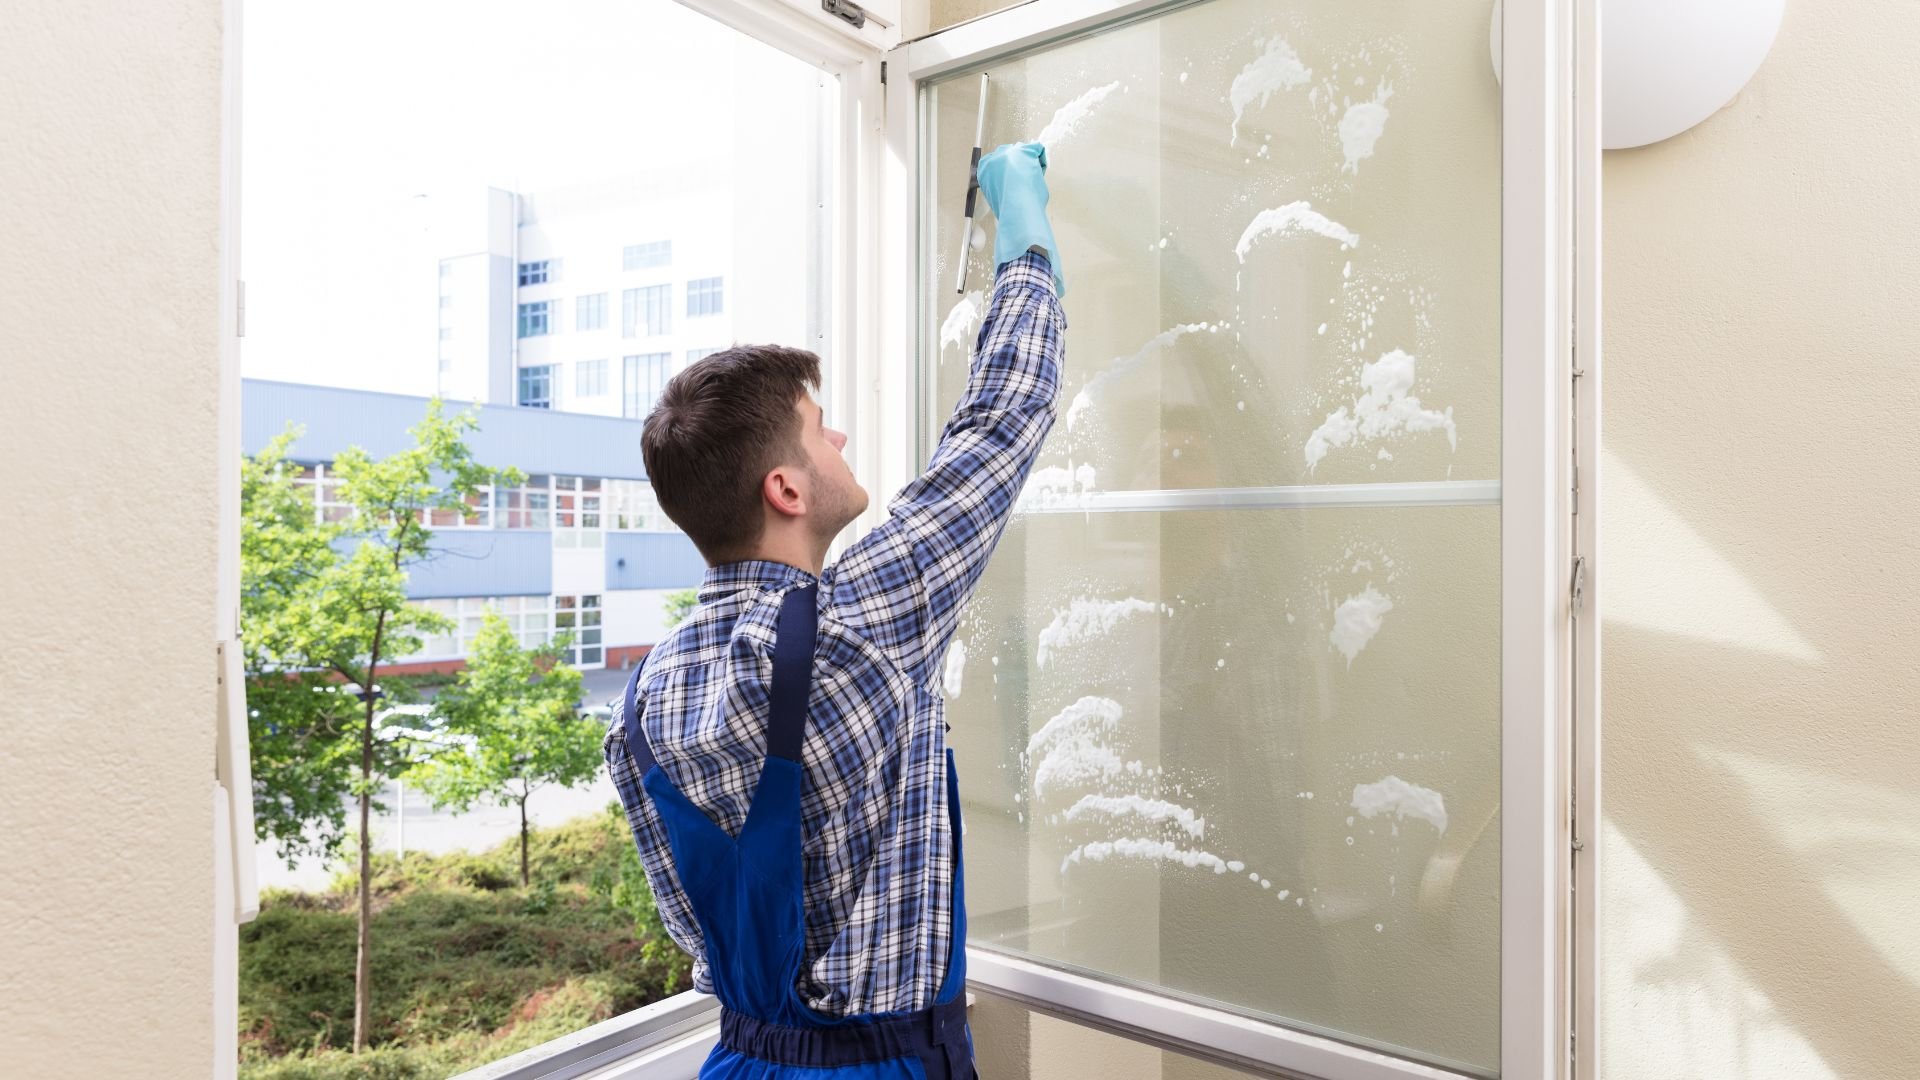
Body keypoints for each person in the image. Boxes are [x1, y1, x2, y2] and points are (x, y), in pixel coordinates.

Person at [604, 141, 1065, 1079]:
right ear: (785, 487)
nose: (842, 436)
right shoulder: (861, 623)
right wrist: (1027, 238)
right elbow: (1002, 419)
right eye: (821, 428)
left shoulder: (642, 702)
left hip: (739, 1062)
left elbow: (700, 925)